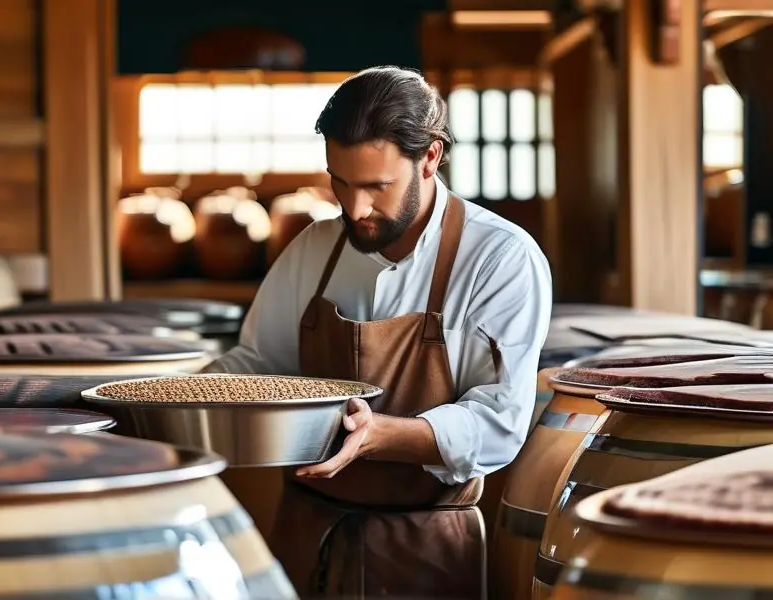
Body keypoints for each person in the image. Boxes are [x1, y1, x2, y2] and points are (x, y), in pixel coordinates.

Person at [202, 66, 552, 599]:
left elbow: (499, 423)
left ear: (430, 157)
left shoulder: (500, 258)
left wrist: (379, 434)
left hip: (426, 546)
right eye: (340, 184)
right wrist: (176, 397)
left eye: (376, 186)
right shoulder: (314, 250)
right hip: (307, 536)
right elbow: (256, 366)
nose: (355, 208)